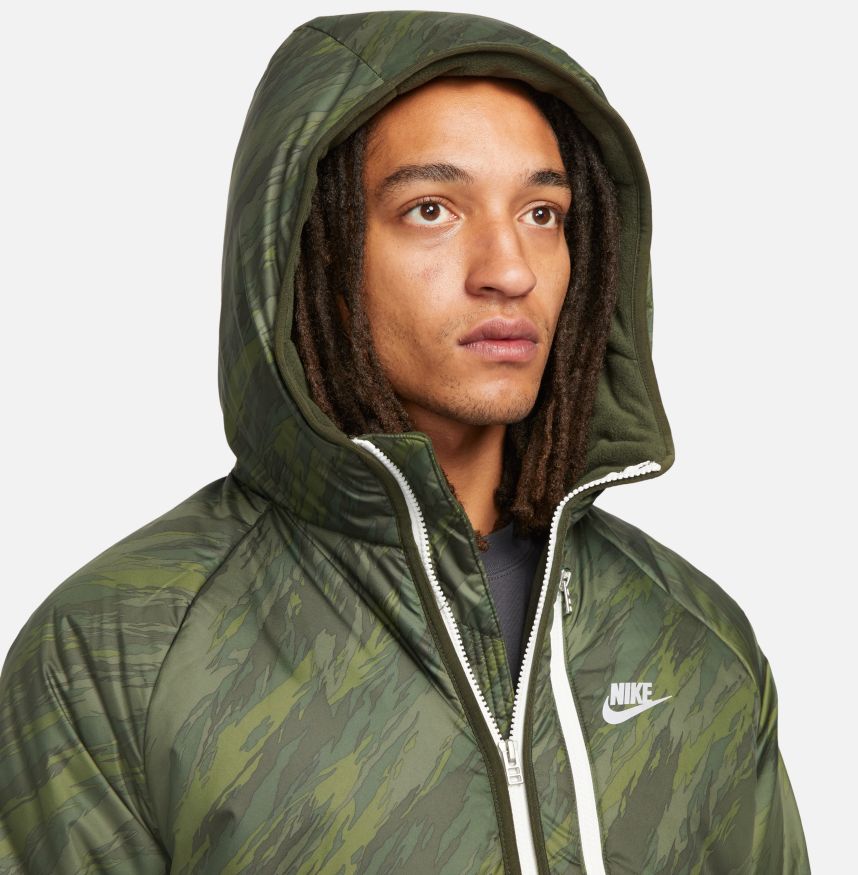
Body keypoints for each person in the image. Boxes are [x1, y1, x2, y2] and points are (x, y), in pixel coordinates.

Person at [0, 10, 809, 874]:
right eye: (431, 210)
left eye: (541, 212)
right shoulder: (117, 651)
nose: (509, 269)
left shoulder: (692, 635)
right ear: (309, 248)